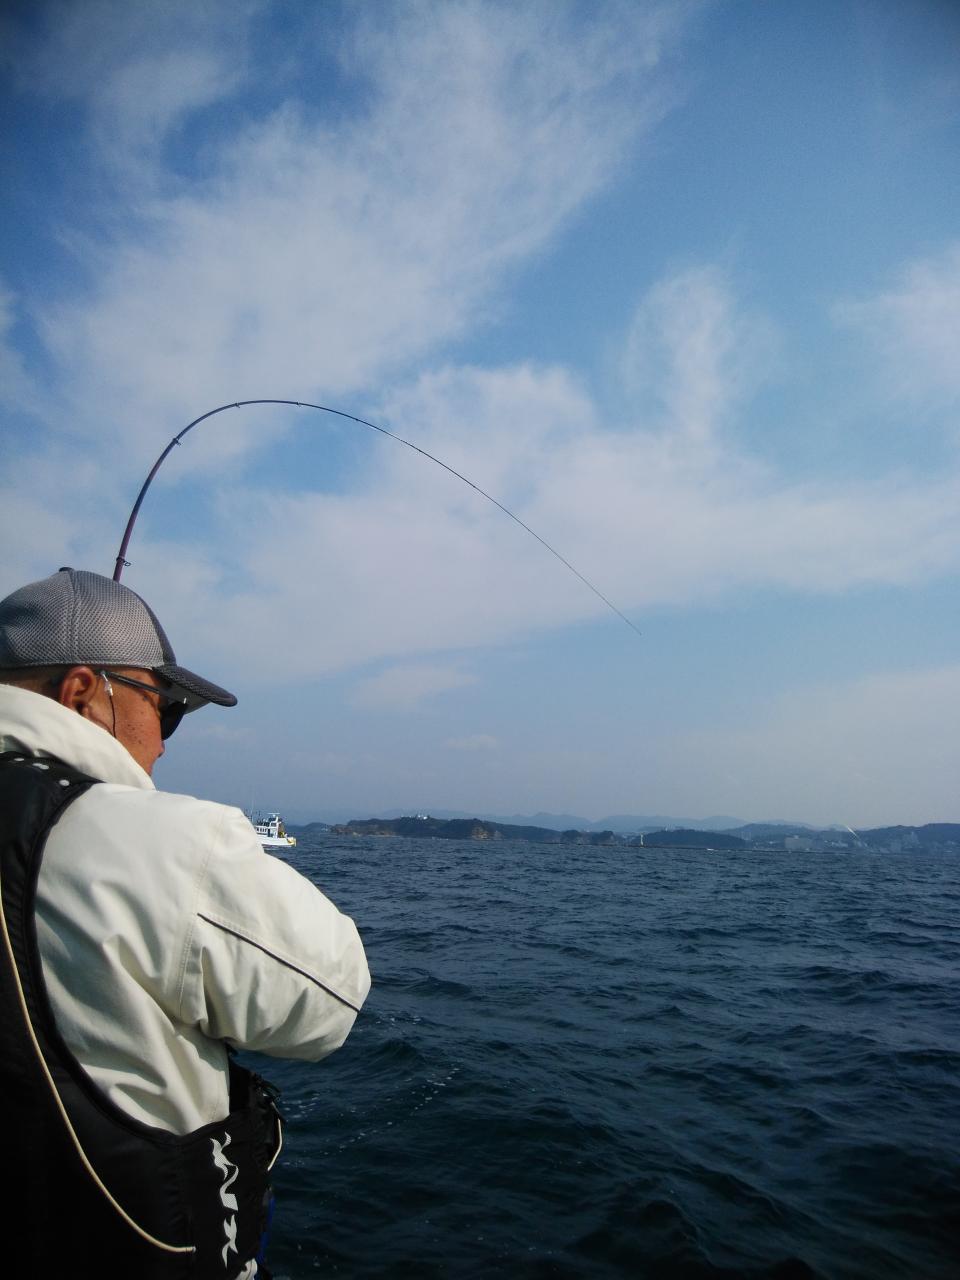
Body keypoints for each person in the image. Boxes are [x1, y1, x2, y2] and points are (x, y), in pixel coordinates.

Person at [0, 567, 370, 1277]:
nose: (166, 742)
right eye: (163, 707)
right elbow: (332, 1001)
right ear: (81, 693)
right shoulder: (156, 841)